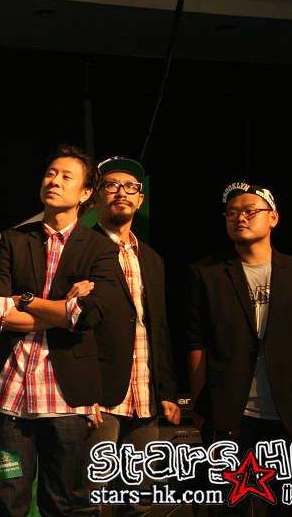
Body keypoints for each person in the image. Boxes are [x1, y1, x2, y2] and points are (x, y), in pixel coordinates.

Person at [0, 144, 128, 517]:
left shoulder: (100, 248)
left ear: (85, 193)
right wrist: (61, 307)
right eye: (50, 173)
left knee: (62, 503)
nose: (54, 181)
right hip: (10, 394)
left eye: (66, 177)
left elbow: (88, 315)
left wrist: (24, 301)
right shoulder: (15, 239)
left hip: (68, 398)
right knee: (9, 502)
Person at [185, 182, 292, 507]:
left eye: (250, 211)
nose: (240, 218)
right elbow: (197, 343)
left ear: (273, 218)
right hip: (231, 415)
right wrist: (200, 404)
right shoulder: (206, 274)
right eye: (232, 213)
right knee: (225, 506)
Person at [86, 156, 180, 515]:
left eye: (130, 187)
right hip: (99, 397)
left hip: (145, 397)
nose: (121, 193)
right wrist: (83, 393)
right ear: (96, 196)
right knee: (90, 497)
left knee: (138, 501)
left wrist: (166, 392)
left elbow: (158, 327)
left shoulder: (152, 258)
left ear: (140, 199)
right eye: (111, 185)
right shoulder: (82, 247)